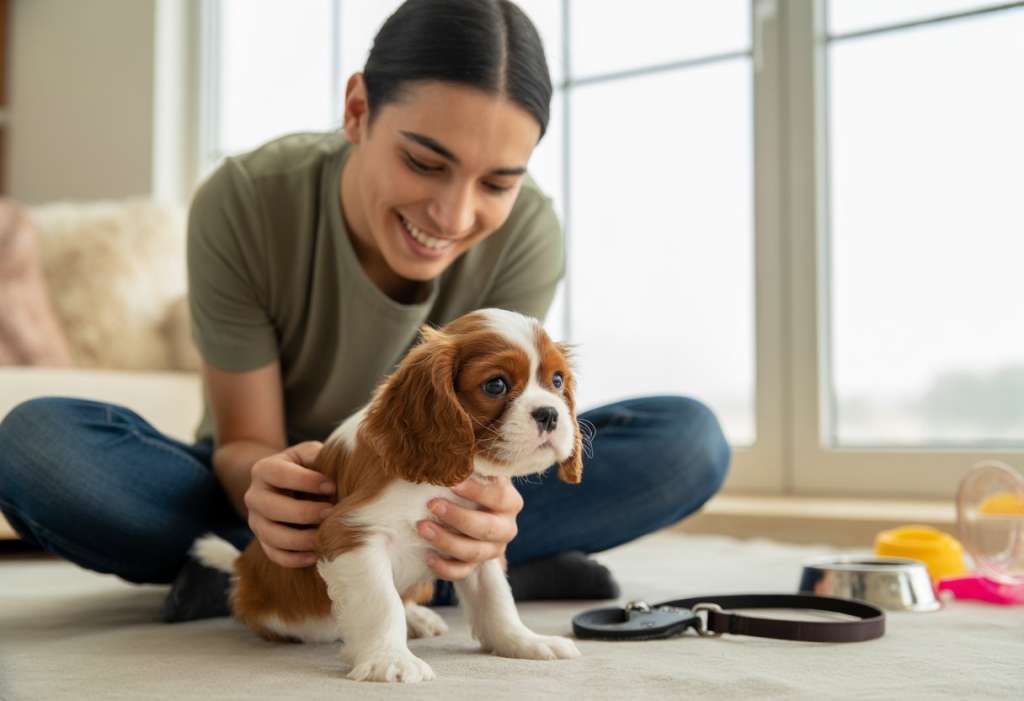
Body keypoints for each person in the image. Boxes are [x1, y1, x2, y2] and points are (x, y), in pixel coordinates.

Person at [0, 0, 730, 621]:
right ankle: (339, 573)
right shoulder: (246, 199)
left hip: (431, 492)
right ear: (357, 110)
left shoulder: (529, 231)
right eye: (424, 162)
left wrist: (494, 510)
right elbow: (245, 437)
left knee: (689, 440)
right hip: (267, 493)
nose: (453, 213)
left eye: (498, 182)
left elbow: (496, 439)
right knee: (36, 445)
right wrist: (270, 495)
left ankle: (411, 573)